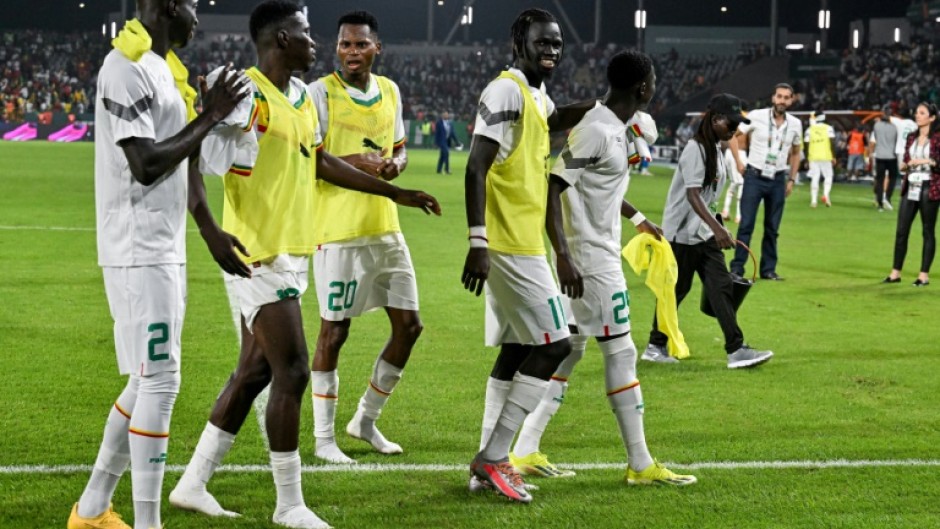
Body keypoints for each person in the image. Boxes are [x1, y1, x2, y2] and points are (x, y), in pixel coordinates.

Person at [167, 3, 440, 528]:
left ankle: (192, 483)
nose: (319, 43)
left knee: (252, 373)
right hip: (254, 253)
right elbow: (193, 153)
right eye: (310, 34)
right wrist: (208, 228)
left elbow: (322, 162)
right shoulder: (241, 90)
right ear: (281, 37)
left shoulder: (297, 97)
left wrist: (396, 192)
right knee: (291, 370)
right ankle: (289, 504)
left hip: (292, 251)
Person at [68, 2, 250, 528]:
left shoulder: (165, 67)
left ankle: (93, 510)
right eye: (193, 4)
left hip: (164, 244)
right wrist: (210, 115)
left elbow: (184, 159)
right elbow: (146, 162)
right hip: (136, 246)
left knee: (144, 380)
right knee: (161, 382)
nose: (198, 14)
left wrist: (208, 227)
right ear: (170, 4)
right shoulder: (124, 66)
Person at [508, 49, 697, 487]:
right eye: (652, 81)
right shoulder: (595, 131)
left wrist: (637, 218)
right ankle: (640, 463)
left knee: (570, 351)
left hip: (595, 255)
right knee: (622, 351)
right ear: (643, 87)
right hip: (591, 264)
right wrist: (564, 257)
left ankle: (524, 449)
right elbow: (555, 188)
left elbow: (601, 185)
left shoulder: (614, 128)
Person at [460, 8, 594, 503]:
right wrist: (478, 243)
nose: (552, 50)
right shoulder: (505, 91)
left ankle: (485, 464)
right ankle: (494, 457)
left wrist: (599, 107)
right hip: (508, 246)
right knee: (559, 344)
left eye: (558, 43)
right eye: (543, 42)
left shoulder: (536, 95)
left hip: (524, 242)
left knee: (517, 349)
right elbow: (476, 167)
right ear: (520, 41)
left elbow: (552, 119)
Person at [305, 10, 421, 465]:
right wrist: (364, 161)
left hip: (386, 226)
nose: (351, 52)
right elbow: (312, 159)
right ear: (337, 47)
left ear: (377, 48)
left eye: (360, 44)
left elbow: (400, 148)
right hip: (337, 230)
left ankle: (365, 421)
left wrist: (396, 165)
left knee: (410, 326)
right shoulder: (319, 93)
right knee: (334, 332)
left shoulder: (390, 90)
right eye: (345, 44)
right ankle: (322, 438)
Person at [643, 94, 773, 369]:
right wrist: (718, 228)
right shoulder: (696, 149)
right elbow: (692, 195)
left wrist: (718, 226)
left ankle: (736, 350)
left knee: (721, 286)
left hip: (703, 232)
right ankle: (655, 346)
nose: (736, 129)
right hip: (682, 234)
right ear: (715, 120)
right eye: (732, 123)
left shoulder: (715, 148)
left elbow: (708, 196)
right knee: (677, 290)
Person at [729, 83, 803, 281]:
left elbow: (796, 153)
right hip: (754, 176)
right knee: (746, 224)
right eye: (779, 96)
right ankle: (737, 268)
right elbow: (732, 135)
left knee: (772, 227)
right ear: (773, 98)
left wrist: (792, 179)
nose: (782, 100)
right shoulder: (756, 115)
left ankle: (768, 270)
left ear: (791, 100)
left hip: (778, 179)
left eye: (786, 97)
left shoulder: (796, 124)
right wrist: (738, 161)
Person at [883, 102, 940, 287]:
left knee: (927, 230)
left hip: (929, 185)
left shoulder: (938, 137)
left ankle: (923, 275)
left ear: (932, 117)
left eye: (922, 113)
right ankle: (895, 273)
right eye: (916, 112)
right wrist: (906, 165)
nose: (917, 115)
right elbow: (907, 159)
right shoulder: (911, 136)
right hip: (911, 184)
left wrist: (926, 160)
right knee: (901, 230)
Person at [804, 111, 836, 208]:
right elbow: (832, 142)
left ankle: (813, 200)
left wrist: (806, 158)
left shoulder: (809, 130)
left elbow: (806, 144)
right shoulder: (828, 128)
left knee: (815, 177)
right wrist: (833, 156)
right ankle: (826, 195)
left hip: (813, 156)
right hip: (826, 156)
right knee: (828, 176)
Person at [871, 106, 899, 211]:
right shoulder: (895, 126)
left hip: (880, 155)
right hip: (891, 155)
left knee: (880, 179)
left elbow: (877, 138)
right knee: (892, 178)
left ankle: (880, 204)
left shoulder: (877, 125)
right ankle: (887, 197)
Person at [721, 143, 746, 223]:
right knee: (742, 182)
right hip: (739, 152)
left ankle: (726, 210)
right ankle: (739, 216)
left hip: (729, 152)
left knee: (733, 182)